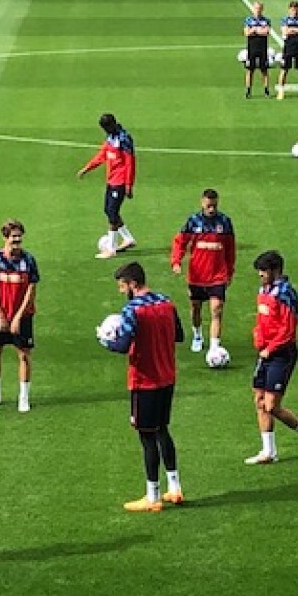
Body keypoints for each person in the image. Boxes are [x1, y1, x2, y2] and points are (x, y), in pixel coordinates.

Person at [102, 262, 185, 512]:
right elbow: (179, 335)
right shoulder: (166, 302)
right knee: (163, 430)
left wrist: (105, 341)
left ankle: (153, 496)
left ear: (132, 283)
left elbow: (123, 345)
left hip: (144, 380)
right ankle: (175, 487)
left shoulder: (132, 310)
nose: (121, 291)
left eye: (122, 285)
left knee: (147, 436)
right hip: (167, 376)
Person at [246, 252, 298, 466]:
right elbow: (262, 319)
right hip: (264, 352)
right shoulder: (264, 289)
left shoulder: (286, 294)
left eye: (263, 271)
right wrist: (257, 337)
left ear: (275, 270)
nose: (260, 275)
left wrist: (270, 348)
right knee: (259, 400)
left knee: (272, 405)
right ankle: (269, 451)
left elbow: (288, 329)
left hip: (281, 354)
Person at [0, 219, 40, 413]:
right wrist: (0, 315)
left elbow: (31, 291)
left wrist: (17, 317)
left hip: (22, 316)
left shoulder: (29, 260)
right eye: (14, 238)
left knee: (23, 355)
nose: (17, 243)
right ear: (5, 238)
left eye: (19, 239)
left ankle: (23, 397)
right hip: (0, 314)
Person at [170, 189, 236, 354]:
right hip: (197, 275)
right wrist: (176, 261)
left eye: (214, 206)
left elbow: (230, 249)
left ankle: (214, 346)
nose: (212, 209)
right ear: (202, 203)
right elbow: (180, 242)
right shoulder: (193, 222)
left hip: (217, 275)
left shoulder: (225, 222)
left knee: (217, 308)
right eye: (208, 206)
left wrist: (230, 271)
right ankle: (197, 335)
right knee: (196, 308)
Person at [77, 113, 137, 259]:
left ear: (112, 124)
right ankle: (128, 239)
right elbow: (102, 155)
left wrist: (129, 184)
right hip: (111, 180)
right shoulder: (111, 138)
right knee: (109, 210)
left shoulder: (124, 139)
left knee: (112, 212)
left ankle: (111, 248)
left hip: (120, 181)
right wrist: (87, 168)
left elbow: (130, 162)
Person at [243, 0, 272, 99]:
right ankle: (248, 90)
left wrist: (255, 30)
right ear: (253, 9)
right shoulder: (248, 20)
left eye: (259, 9)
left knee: (264, 70)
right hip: (252, 48)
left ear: (262, 9)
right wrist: (256, 30)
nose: (257, 11)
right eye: (256, 8)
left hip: (263, 48)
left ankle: (266, 90)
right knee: (250, 70)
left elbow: (267, 32)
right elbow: (247, 33)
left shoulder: (266, 20)